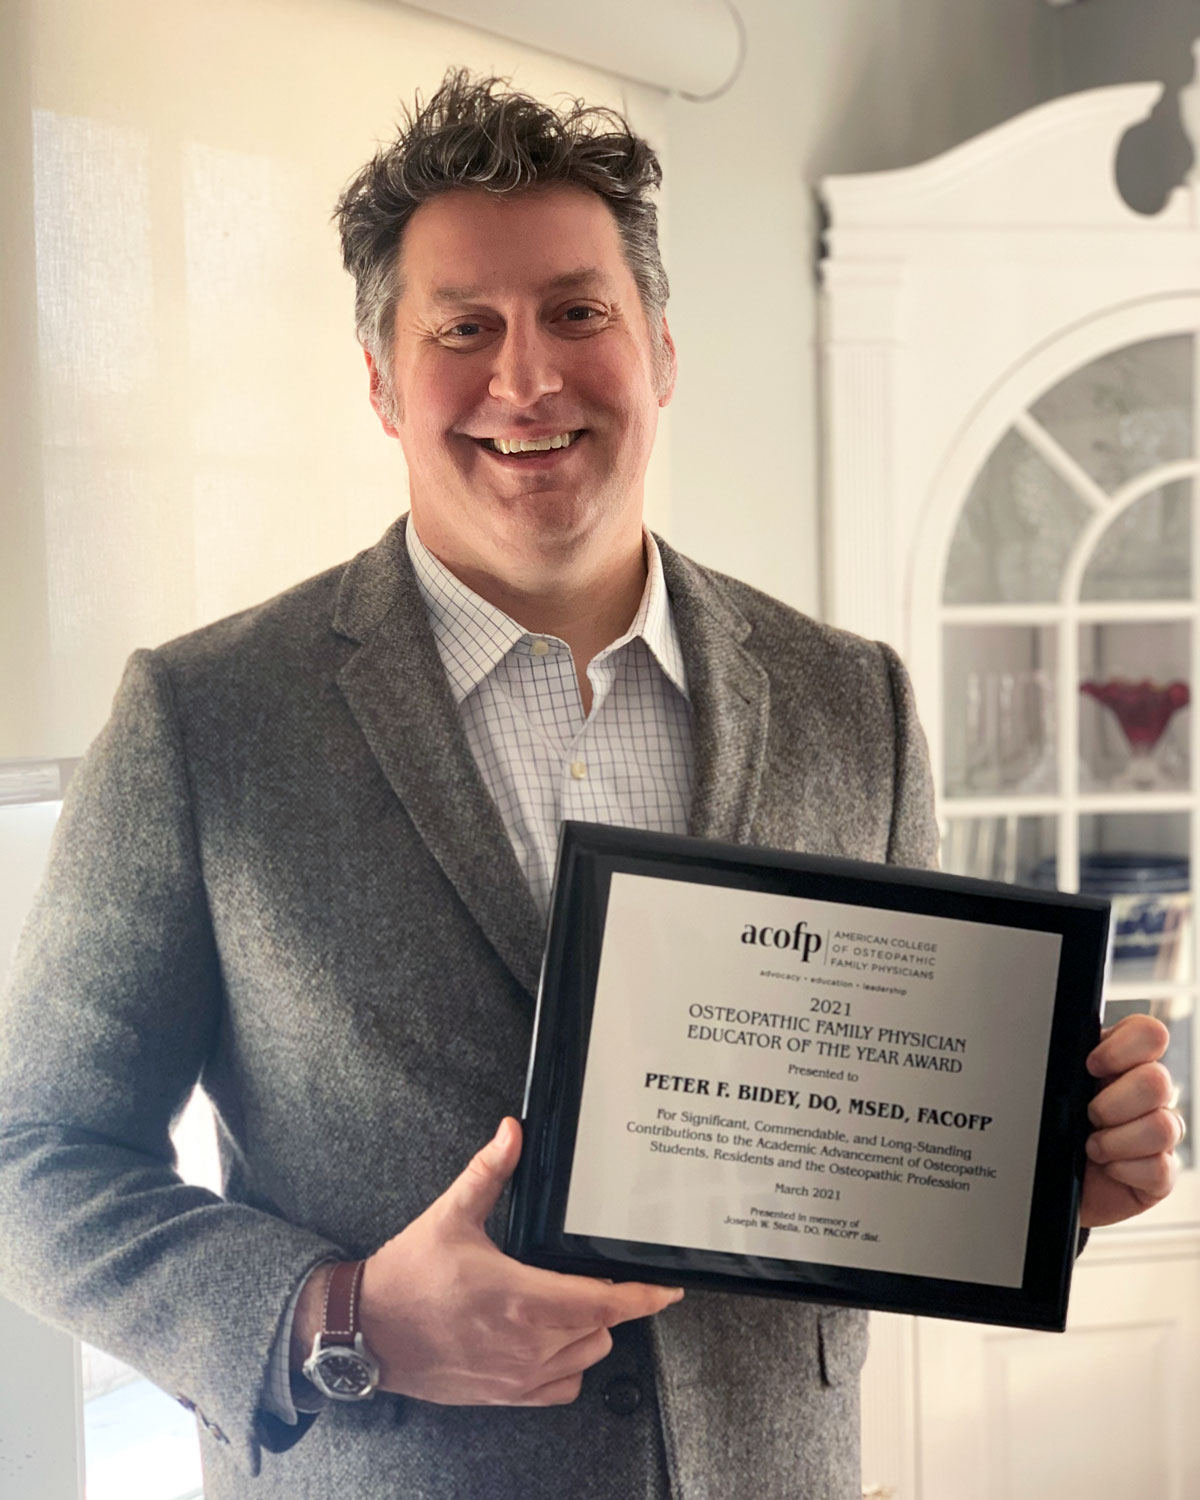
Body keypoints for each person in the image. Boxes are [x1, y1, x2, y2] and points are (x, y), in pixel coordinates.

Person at [0, 71, 1182, 1500]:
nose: (527, 378)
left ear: (662, 349)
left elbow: (866, 1141)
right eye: (463, 329)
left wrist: (1049, 1188)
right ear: (379, 379)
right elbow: (39, 1157)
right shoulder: (205, 720)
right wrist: (344, 1317)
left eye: (578, 312)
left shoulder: (851, 700)